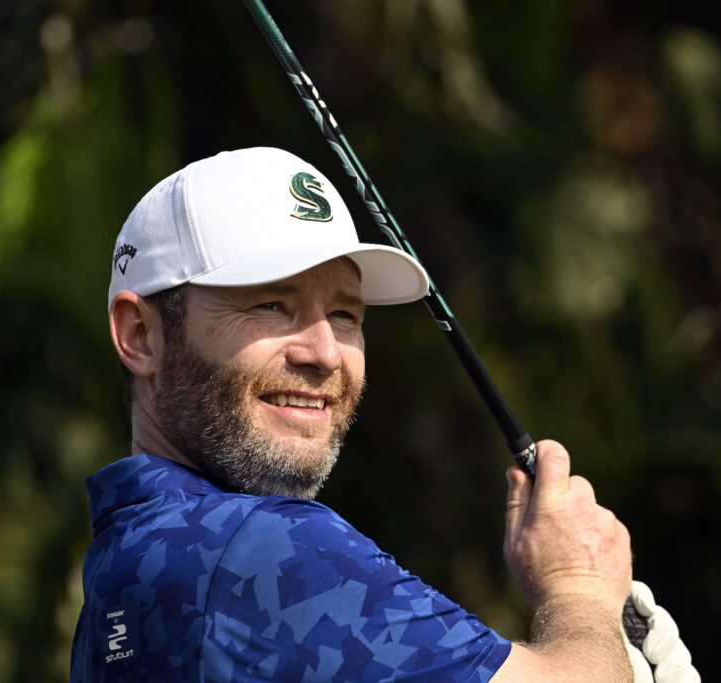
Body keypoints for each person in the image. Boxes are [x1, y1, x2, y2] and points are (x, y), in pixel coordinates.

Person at [70, 147, 634, 682]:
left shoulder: (123, 564)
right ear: (140, 335)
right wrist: (577, 587)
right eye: (271, 304)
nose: (325, 354)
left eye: (345, 314)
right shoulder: (265, 548)